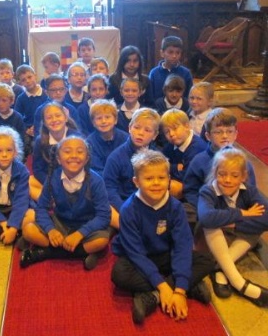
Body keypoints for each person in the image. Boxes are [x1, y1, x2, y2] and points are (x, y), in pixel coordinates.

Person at [111, 150, 213, 324]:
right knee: (119, 274)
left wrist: (179, 290)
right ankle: (187, 285)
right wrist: (163, 286)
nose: (156, 183)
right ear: (136, 182)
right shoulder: (128, 210)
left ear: (169, 180)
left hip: (166, 254)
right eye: (149, 178)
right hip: (140, 258)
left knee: (207, 260)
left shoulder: (176, 207)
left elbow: (182, 246)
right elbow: (135, 253)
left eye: (161, 178)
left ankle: (152, 296)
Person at [20, 136, 111, 270]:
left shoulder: (96, 181)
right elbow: (41, 208)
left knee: (102, 241)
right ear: (58, 159)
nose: (74, 156)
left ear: (87, 159)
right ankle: (79, 253)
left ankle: (45, 253)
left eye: (80, 152)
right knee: (28, 230)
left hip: (86, 225)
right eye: (67, 151)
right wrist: (50, 230)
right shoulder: (53, 177)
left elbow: (103, 216)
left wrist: (80, 233)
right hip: (60, 222)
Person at [198, 148, 268, 307]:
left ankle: (219, 269)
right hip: (211, 242)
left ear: (243, 176)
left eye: (234, 176)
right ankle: (239, 283)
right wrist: (242, 213)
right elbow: (206, 217)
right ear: (215, 173)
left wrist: (232, 222)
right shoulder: (208, 191)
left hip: (235, 238)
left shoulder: (249, 191)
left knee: (255, 228)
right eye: (222, 174)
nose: (228, 180)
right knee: (211, 226)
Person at [183, 107, 257, 218]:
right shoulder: (198, 161)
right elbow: (190, 190)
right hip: (209, 210)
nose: (225, 136)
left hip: (238, 212)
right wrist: (205, 208)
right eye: (218, 132)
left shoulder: (244, 163)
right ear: (208, 136)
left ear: (236, 134)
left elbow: (250, 191)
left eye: (229, 131)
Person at [103, 108, 160, 229]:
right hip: (124, 203)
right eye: (137, 127)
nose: (140, 133)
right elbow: (109, 189)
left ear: (155, 135)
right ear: (129, 128)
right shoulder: (115, 157)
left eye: (147, 130)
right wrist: (124, 209)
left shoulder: (158, 157)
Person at [32, 102, 80, 196]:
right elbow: (38, 169)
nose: (54, 120)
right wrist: (52, 184)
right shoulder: (40, 141)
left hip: (75, 183)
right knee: (30, 182)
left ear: (66, 118)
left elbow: (83, 166)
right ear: (44, 123)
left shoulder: (77, 139)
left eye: (58, 116)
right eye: (49, 117)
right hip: (50, 183)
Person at [161, 109, 207, 199]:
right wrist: (175, 167)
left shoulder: (197, 148)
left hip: (196, 192)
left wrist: (168, 169)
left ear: (187, 126)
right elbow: (161, 165)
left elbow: (186, 177)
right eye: (167, 131)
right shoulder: (171, 145)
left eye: (175, 128)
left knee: (171, 185)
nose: (171, 134)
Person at [86, 99, 127, 177]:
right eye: (99, 118)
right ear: (93, 123)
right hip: (102, 180)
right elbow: (96, 170)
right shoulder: (89, 143)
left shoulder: (126, 139)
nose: (104, 121)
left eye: (107, 117)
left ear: (115, 120)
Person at [14, 64, 48, 157]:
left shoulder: (46, 94)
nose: (28, 81)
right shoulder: (21, 98)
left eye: (29, 77)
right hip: (30, 131)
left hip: (46, 128)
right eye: (23, 80)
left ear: (35, 75)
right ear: (20, 83)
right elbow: (17, 117)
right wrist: (26, 129)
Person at [148, 36, 193, 103]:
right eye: (170, 52)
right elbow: (150, 97)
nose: (174, 56)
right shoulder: (154, 73)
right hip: (158, 108)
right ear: (162, 53)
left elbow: (189, 96)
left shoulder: (186, 73)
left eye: (178, 53)